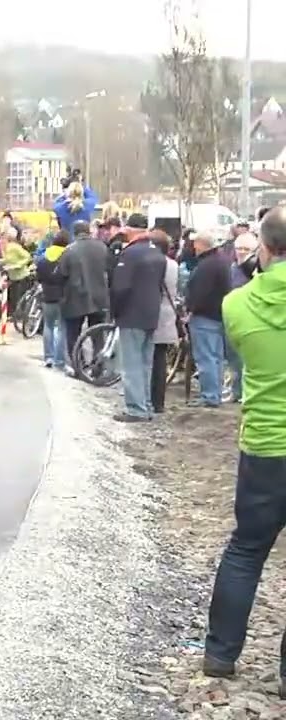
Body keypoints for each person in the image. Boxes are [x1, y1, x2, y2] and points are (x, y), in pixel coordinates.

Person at [202, 206, 286, 689]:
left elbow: (238, 353)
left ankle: (220, 655)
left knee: (246, 550)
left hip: (264, 447)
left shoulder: (237, 305)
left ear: (265, 248)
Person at [110, 222, 167, 422]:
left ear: (132, 230)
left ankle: (136, 408)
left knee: (131, 363)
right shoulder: (158, 254)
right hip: (151, 314)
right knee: (145, 364)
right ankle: (146, 405)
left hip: (131, 314)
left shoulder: (130, 255)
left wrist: (115, 311)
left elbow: (121, 288)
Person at [183, 231, 232, 408]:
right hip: (219, 315)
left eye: (195, 243)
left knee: (206, 358)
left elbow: (199, 293)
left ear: (202, 245)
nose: (193, 246)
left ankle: (210, 396)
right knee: (216, 357)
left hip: (205, 317)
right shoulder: (222, 261)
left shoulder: (206, 266)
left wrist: (190, 310)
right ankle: (215, 394)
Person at [57, 220, 111, 374]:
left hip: (75, 298)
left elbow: (62, 274)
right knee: (98, 335)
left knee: (73, 335)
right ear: (89, 231)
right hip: (99, 297)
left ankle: (78, 366)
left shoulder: (69, 251)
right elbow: (109, 270)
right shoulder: (102, 247)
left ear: (74, 233)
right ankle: (98, 365)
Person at [225, 232, 260, 403]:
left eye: (246, 249)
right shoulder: (232, 268)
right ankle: (236, 390)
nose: (241, 252)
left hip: (250, 317)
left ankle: (245, 392)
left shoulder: (255, 269)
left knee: (245, 360)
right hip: (233, 318)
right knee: (233, 359)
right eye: (238, 248)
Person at [151, 230, 181, 414]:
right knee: (160, 359)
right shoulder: (174, 265)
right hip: (169, 313)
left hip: (156, 313)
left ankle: (152, 399)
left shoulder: (156, 264)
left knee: (152, 358)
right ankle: (159, 401)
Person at [34, 230, 71, 370]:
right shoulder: (67, 255)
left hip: (47, 296)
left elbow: (38, 277)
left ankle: (48, 357)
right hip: (62, 296)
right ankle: (59, 359)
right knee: (61, 328)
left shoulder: (43, 257)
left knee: (48, 326)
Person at [0, 225, 35, 312]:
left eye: (2, 239)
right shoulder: (4, 249)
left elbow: (28, 256)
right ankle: (13, 315)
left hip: (21, 276)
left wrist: (17, 265)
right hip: (13, 277)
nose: (0, 241)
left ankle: (20, 316)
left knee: (20, 298)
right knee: (13, 298)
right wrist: (0, 262)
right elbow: (9, 259)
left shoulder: (14, 247)